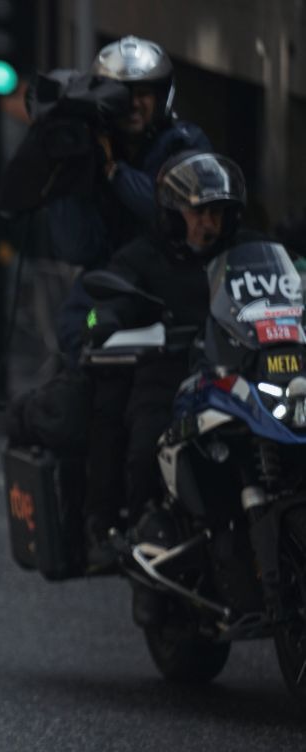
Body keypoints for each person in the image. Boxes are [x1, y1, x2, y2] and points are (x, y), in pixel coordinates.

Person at [83, 151, 257, 574]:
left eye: (217, 213)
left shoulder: (248, 252)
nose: (208, 224)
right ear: (173, 214)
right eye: (197, 213)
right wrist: (106, 322)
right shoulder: (142, 257)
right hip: (171, 375)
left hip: (242, 375)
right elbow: (99, 309)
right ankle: (142, 532)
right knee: (147, 444)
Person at [48, 36, 211, 361]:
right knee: (78, 328)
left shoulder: (184, 143)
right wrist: (69, 164)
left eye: (144, 93)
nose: (133, 104)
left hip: (174, 280)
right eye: (122, 94)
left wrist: (114, 172)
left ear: (161, 95)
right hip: (110, 284)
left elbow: (172, 212)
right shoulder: (92, 147)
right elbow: (76, 247)